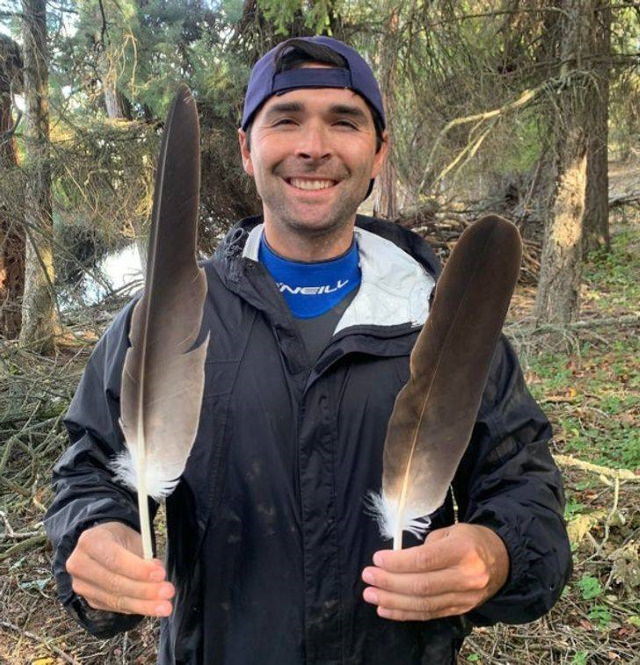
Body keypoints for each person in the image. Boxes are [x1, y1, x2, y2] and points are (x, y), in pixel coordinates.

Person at [45, 36, 572, 665]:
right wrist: (95, 537)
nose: (313, 147)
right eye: (286, 119)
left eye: (343, 121)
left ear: (378, 152)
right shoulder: (163, 320)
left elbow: (524, 485)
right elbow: (88, 471)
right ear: (247, 148)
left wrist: (499, 552)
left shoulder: (444, 324)